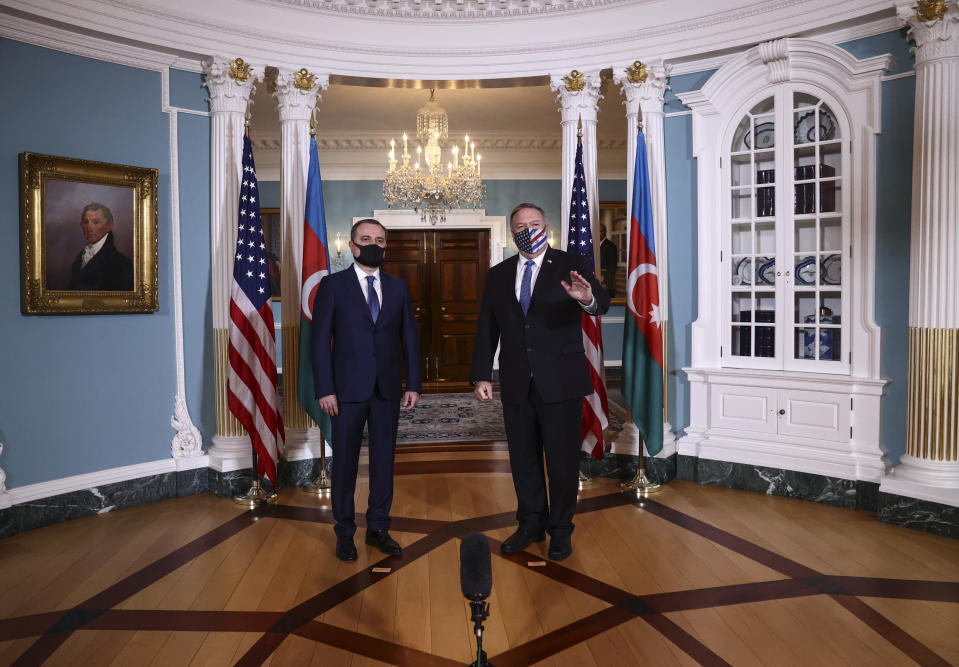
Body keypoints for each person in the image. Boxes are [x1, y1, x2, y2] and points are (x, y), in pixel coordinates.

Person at [471, 203, 610, 561]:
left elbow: (603, 302)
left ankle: (560, 530)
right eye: (520, 225)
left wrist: (588, 298)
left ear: (546, 227)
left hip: (561, 380)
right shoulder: (499, 273)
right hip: (517, 380)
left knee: (562, 460)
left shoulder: (571, 264)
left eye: (534, 223)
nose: (527, 229)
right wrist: (481, 374)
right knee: (523, 459)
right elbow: (487, 326)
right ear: (511, 231)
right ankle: (530, 523)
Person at [311, 218, 421, 563]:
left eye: (380, 239)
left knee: (383, 463)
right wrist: (325, 388)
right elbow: (318, 344)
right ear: (353, 246)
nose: (374, 243)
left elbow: (410, 340)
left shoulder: (399, 287)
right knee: (344, 464)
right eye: (366, 238)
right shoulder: (332, 286)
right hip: (344, 391)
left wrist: (413, 384)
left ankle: (378, 528)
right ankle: (345, 531)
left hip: (387, 389)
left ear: (386, 245)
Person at [66, 203, 134, 291]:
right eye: (86, 222)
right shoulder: (79, 258)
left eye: (95, 222)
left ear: (110, 226)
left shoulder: (122, 265)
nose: (89, 228)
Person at [599, 223, 618, 298]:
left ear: (605, 232)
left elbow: (612, 267)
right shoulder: (593, 245)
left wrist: (606, 283)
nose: (598, 233)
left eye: (600, 231)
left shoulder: (610, 246)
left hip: (605, 283)